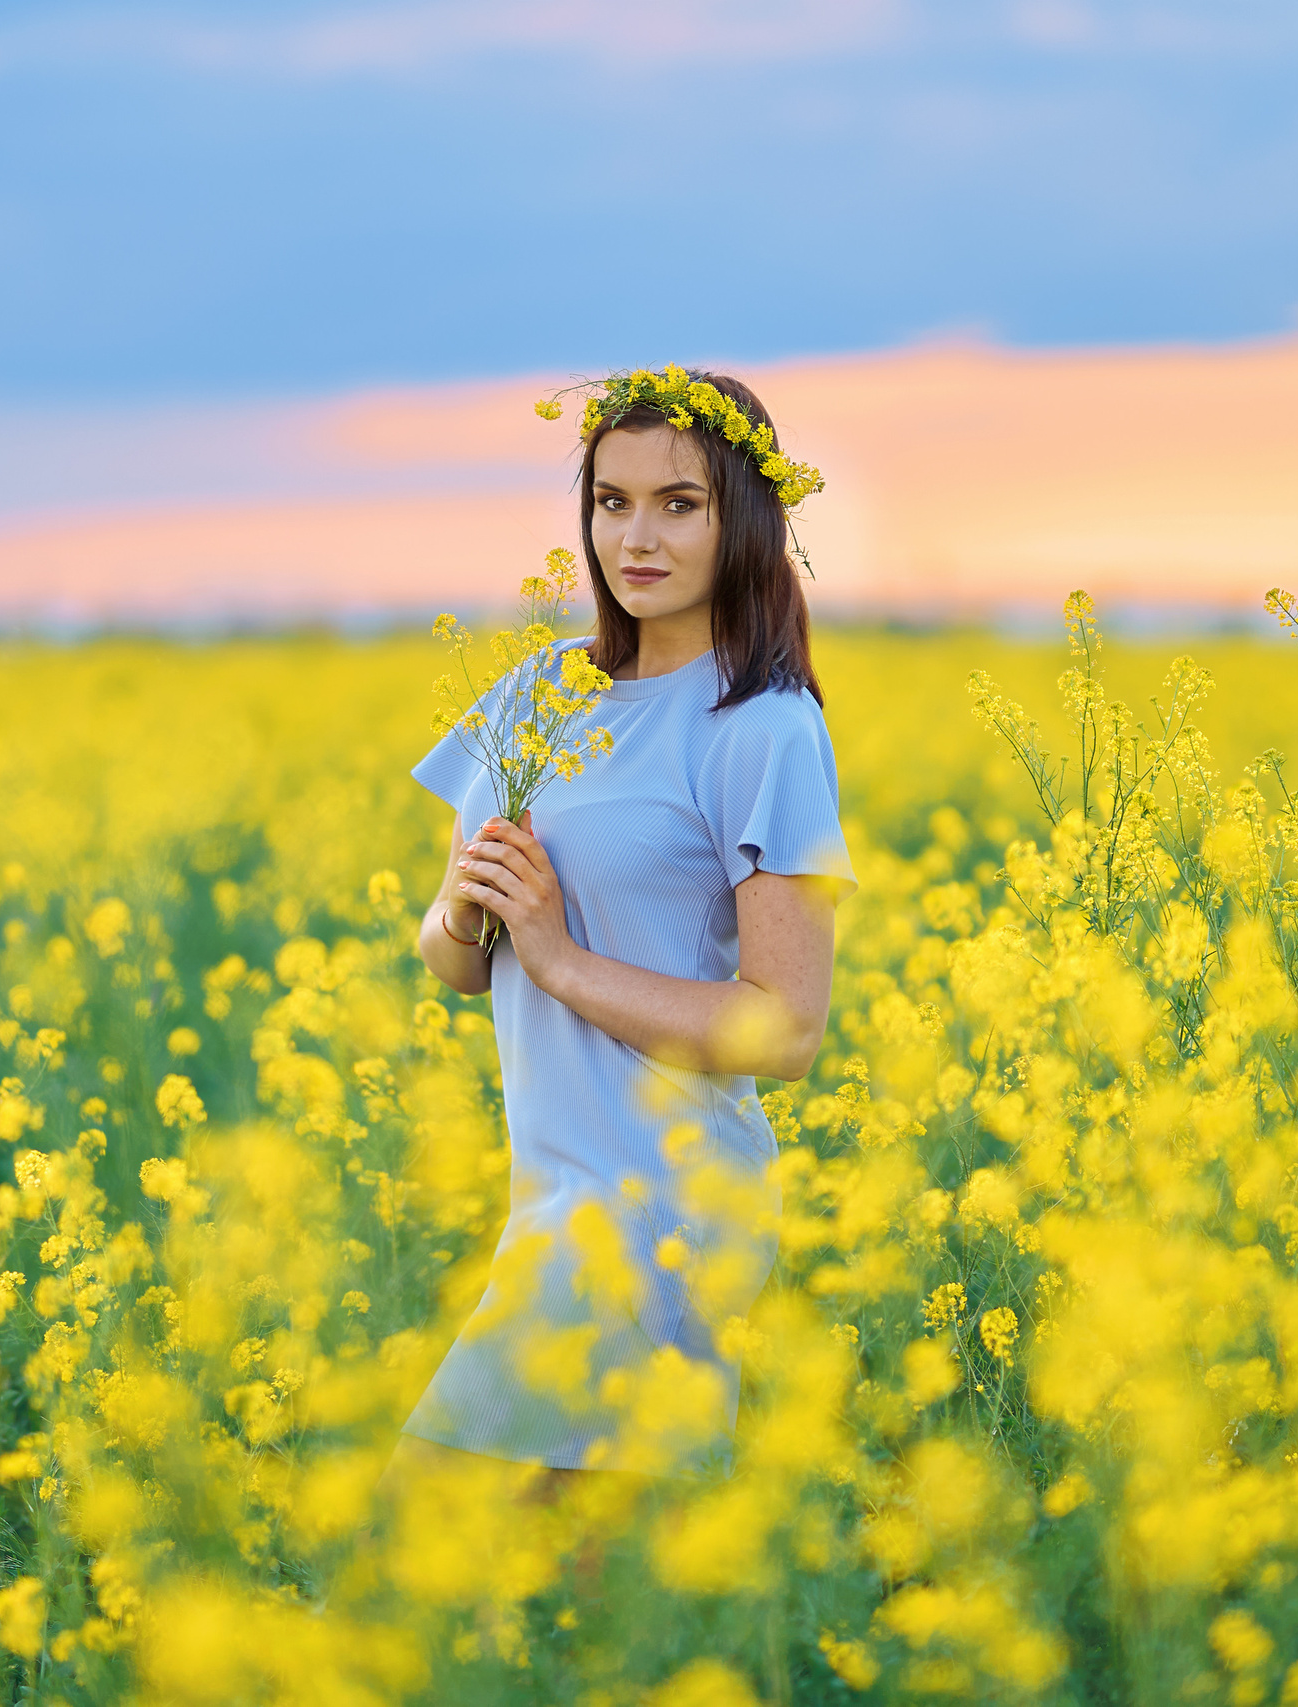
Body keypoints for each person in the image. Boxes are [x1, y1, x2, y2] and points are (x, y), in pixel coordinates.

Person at [390, 369, 854, 1501]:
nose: (635, 537)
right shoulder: (536, 695)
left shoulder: (762, 728)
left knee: (426, 1543)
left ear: (741, 516)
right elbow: (450, 961)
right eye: (610, 502)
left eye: (678, 504)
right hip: (555, 1193)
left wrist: (557, 959)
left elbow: (784, 1031)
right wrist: (471, 907)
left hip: (662, 1208)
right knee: (578, 1619)